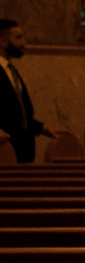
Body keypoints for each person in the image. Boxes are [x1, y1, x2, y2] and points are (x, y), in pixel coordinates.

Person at [0, 18, 49, 163]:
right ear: (3, 41)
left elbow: (17, 113)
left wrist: (42, 128)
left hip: (23, 154)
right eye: (18, 38)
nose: (24, 43)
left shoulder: (11, 71)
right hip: (4, 155)